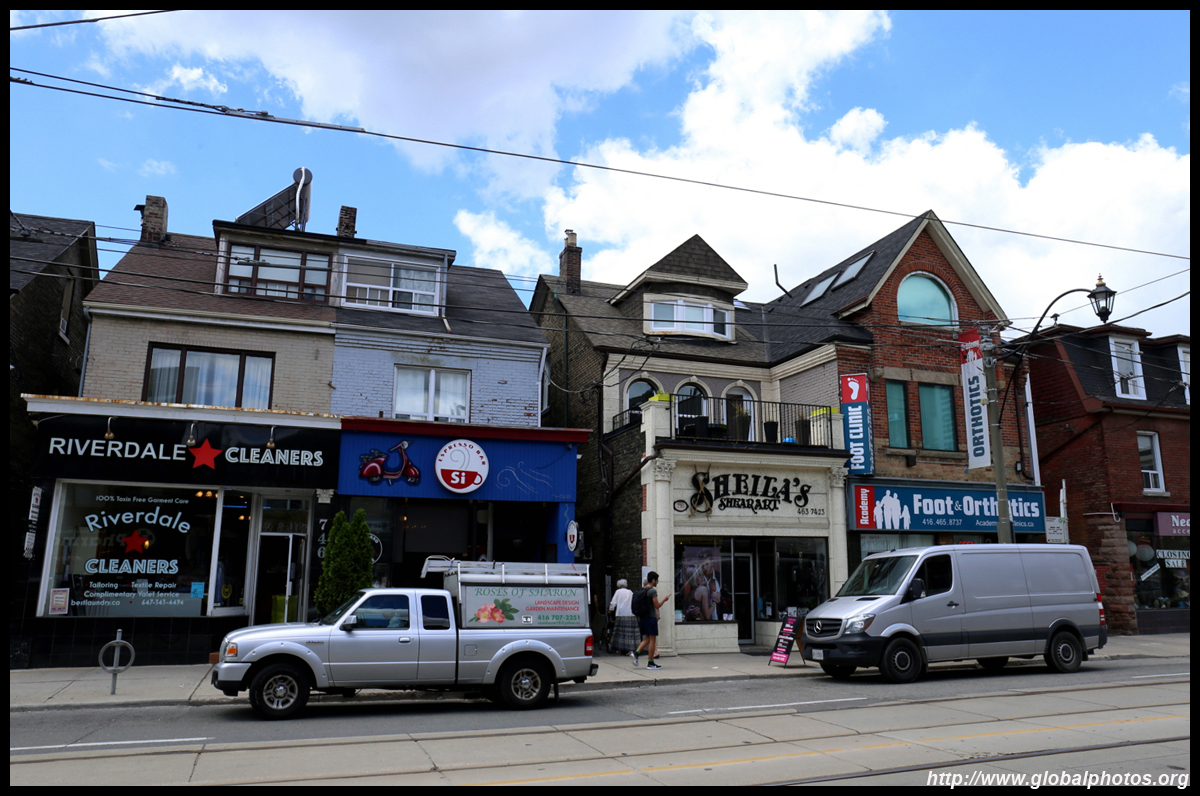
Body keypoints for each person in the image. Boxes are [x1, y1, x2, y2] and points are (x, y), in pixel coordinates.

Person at [634, 571, 670, 669]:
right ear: (653, 580)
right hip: (651, 618)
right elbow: (657, 605)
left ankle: (636, 653)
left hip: (643, 617)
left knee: (647, 639)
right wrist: (664, 599)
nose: (657, 582)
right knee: (652, 640)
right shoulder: (652, 592)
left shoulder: (643, 590)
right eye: (657, 580)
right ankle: (650, 662)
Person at [609, 579, 639, 656]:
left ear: (618, 586)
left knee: (620, 633)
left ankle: (620, 649)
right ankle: (631, 650)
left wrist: (610, 610)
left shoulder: (618, 592)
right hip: (630, 614)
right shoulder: (630, 592)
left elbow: (613, 602)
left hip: (621, 614)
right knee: (630, 633)